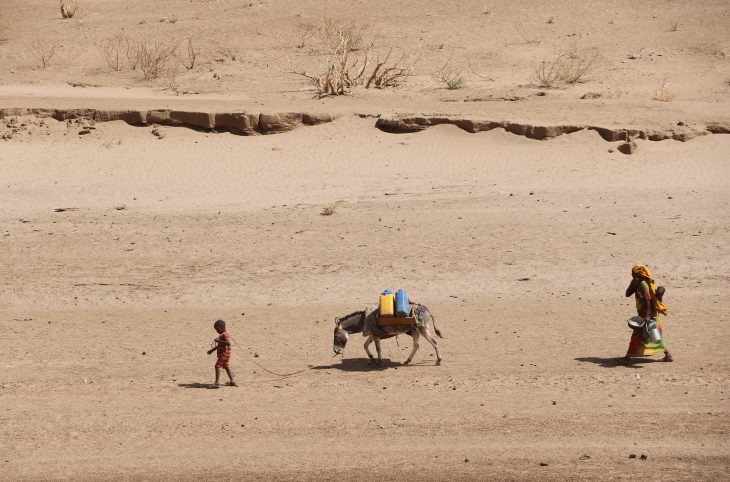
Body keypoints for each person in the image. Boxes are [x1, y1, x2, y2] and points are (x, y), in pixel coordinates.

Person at [621, 264, 673, 363]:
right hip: (646, 313)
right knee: (655, 335)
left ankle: (627, 357)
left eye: (633, 273)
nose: (632, 275)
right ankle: (667, 355)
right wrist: (633, 283)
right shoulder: (638, 283)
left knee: (638, 335)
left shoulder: (643, 285)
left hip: (648, 314)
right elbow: (627, 294)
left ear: (639, 274)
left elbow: (648, 301)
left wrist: (648, 317)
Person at [207, 319, 237, 388]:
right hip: (226, 354)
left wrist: (219, 340)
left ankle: (217, 383)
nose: (217, 331)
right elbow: (219, 345)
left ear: (221, 328)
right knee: (226, 367)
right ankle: (232, 381)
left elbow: (228, 343)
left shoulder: (224, 335)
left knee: (217, 366)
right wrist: (212, 350)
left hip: (224, 354)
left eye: (217, 329)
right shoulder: (223, 335)